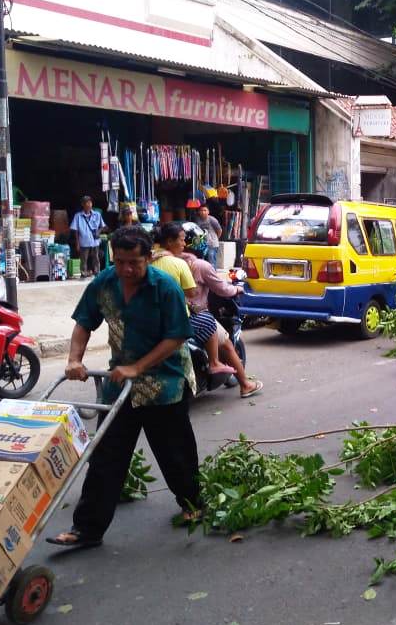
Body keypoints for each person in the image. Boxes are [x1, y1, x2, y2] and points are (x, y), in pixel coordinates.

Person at [47, 226, 201, 548]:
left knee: (174, 452)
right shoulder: (105, 282)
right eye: (120, 262)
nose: (127, 270)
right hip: (121, 382)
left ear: (149, 257)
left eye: (134, 262)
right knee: (105, 454)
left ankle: (192, 503)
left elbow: (176, 336)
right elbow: (84, 322)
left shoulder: (165, 287)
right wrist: (75, 359)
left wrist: (139, 367)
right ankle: (87, 530)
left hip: (165, 380)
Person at [177, 222, 261, 399]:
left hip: (172, 315)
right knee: (228, 345)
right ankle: (245, 384)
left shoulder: (168, 260)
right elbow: (222, 289)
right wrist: (237, 289)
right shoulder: (200, 265)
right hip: (195, 315)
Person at [153, 222, 234, 378]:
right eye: (181, 240)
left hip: (152, 314)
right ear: (170, 241)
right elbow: (192, 292)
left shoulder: (150, 257)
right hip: (176, 318)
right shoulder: (182, 263)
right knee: (208, 320)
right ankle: (215, 363)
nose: (184, 243)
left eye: (185, 240)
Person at [70, 196, 105, 278]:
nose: (89, 204)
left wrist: (98, 232)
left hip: (94, 241)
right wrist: (77, 243)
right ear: (83, 204)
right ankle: (83, 273)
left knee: (95, 257)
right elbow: (76, 231)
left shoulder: (97, 215)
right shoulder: (78, 216)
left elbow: (102, 226)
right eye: (87, 203)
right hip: (84, 241)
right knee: (84, 259)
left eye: (90, 202)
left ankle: (97, 272)